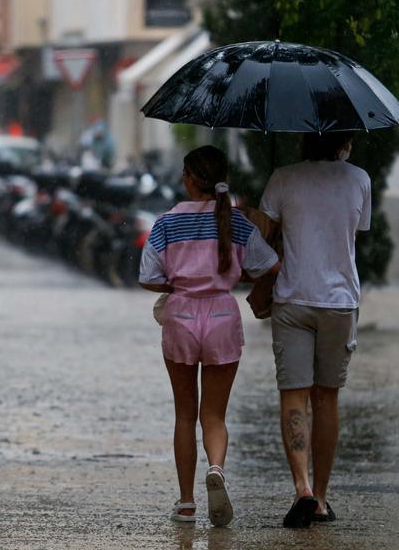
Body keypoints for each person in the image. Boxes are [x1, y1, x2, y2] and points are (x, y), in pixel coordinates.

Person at [139, 146, 280, 527]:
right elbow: (270, 265)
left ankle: (186, 504)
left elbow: (148, 277)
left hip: (182, 316)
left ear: (188, 177)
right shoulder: (237, 223)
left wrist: (182, 281)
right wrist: (235, 274)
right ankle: (216, 469)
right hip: (222, 315)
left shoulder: (166, 223)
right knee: (214, 415)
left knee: (184, 415)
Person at [259, 131, 370, 528]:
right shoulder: (359, 179)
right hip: (340, 303)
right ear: (343, 143)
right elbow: (353, 233)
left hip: (293, 299)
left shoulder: (283, 177)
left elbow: (262, 238)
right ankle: (321, 500)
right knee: (327, 399)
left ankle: (302, 488)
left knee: (293, 395)